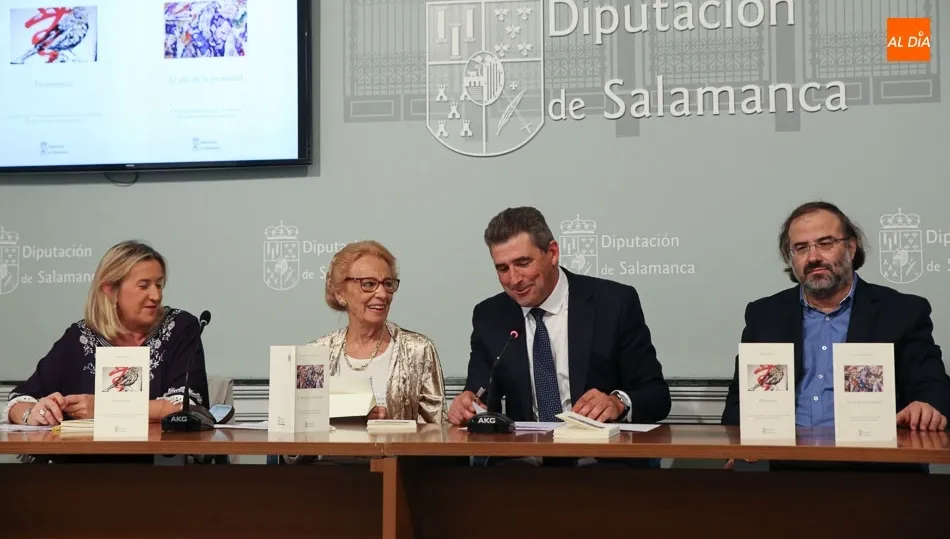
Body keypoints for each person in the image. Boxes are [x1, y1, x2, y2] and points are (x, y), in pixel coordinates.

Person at [722, 202, 950, 469]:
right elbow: (741, 400)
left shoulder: (901, 311)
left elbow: (934, 384)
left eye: (825, 243)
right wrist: (732, 448)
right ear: (791, 257)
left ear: (851, 248)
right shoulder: (765, 314)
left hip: (876, 466)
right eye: (801, 248)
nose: (814, 256)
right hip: (785, 466)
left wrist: (927, 405)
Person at [448, 207, 671, 447]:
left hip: (599, 459)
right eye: (502, 268)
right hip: (521, 463)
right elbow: (477, 394)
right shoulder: (489, 316)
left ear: (552, 253)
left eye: (523, 263)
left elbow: (656, 395)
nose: (513, 279)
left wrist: (618, 402)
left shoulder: (613, 303)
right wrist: (465, 406)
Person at [2, 240, 210, 462]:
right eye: (144, 285)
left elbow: (185, 407)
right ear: (110, 290)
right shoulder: (80, 337)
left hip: (159, 471)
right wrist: (33, 414)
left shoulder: (180, 328)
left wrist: (101, 408)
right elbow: (19, 399)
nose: (156, 295)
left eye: (159, 285)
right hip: (80, 472)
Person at [276, 241, 446, 465]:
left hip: (398, 476)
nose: (382, 293)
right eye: (368, 284)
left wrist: (389, 427)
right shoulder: (316, 354)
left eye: (388, 284)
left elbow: (437, 436)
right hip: (325, 477)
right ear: (340, 293)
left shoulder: (419, 350)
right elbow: (295, 449)